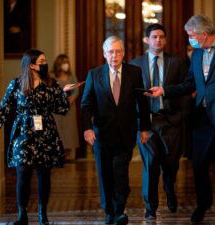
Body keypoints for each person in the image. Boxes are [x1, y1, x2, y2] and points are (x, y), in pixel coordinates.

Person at [148, 15, 215, 225]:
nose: (190, 39)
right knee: (199, 165)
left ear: (204, 34)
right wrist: (164, 91)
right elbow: (189, 84)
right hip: (203, 119)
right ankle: (203, 204)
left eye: (192, 35)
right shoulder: (196, 54)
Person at [0, 49, 79, 225]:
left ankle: (42, 215)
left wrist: (65, 92)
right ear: (31, 65)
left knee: (44, 175)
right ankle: (22, 215)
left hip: (45, 133)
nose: (45, 63)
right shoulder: (16, 84)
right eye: (42, 61)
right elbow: (5, 107)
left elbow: (61, 109)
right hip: (23, 133)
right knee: (22, 173)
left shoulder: (51, 84)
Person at [81, 36, 151, 225]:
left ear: (123, 53)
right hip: (101, 134)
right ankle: (109, 211)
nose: (114, 55)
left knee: (120, 173)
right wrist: (87, 128)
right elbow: (86, 104)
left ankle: (119, 210)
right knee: (105, 174)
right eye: (111, 51)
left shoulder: (134, 72)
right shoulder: (94, 74)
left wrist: (144, 127)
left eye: (118, 51)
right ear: (104, 54)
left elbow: (142, 101)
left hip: (125, 133)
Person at [129, 23, 188, 219]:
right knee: (150, 163)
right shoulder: (135, 64)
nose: (158, 40)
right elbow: (131, 96)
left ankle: (169, 188)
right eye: (154, 37)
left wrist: (182, 115)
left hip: (171, 121)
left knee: (171, 163)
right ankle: (150, 206)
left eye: (162, 36)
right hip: (147, 123)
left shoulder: (177, 62)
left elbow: (186, 89)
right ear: (147, 40)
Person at [51, 54, 80, 160]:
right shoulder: (52, 76)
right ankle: (58, 155)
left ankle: (68, 155)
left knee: (69, 131)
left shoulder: (71, 75)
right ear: (59, 64)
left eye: (67, 62)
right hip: (57, 108)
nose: (66, 65)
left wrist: (72, 97)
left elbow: (76, 89)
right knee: (58, 130)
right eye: (64, 62)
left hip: (70, 107)